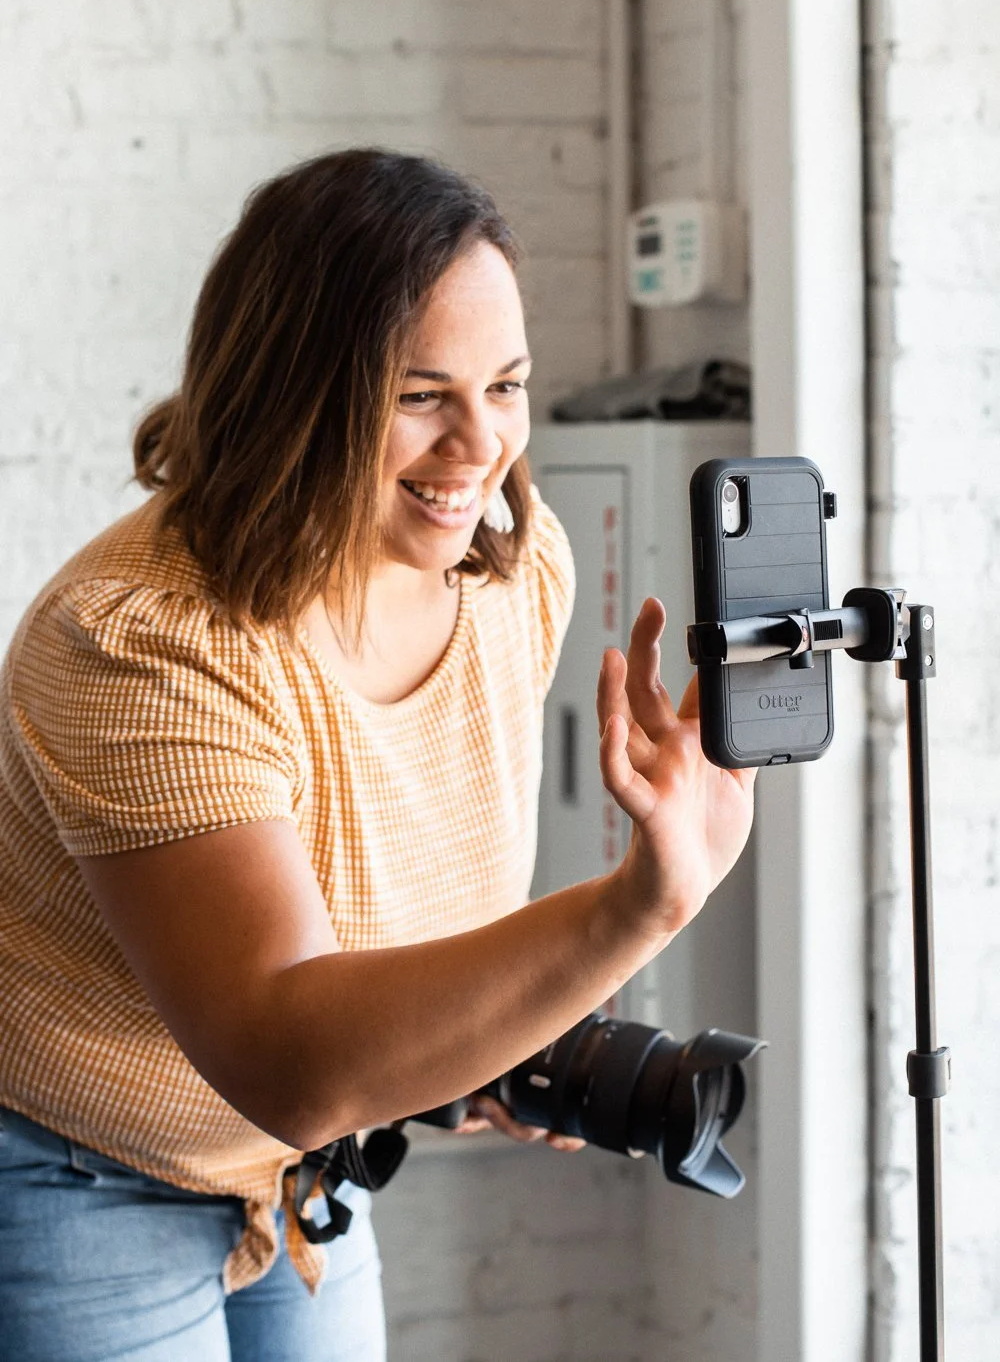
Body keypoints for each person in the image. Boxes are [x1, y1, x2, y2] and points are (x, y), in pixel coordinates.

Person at [0, 149, 755, 1362]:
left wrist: (498, 1045)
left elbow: (380, 922)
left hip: (306, 1173)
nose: (480, 448)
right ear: (296, 390)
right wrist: (640, 904)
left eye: (504, 386)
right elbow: (289, 1055)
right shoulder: (140, 643)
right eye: (419, 395)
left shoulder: (514, 575)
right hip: (85, 1170)